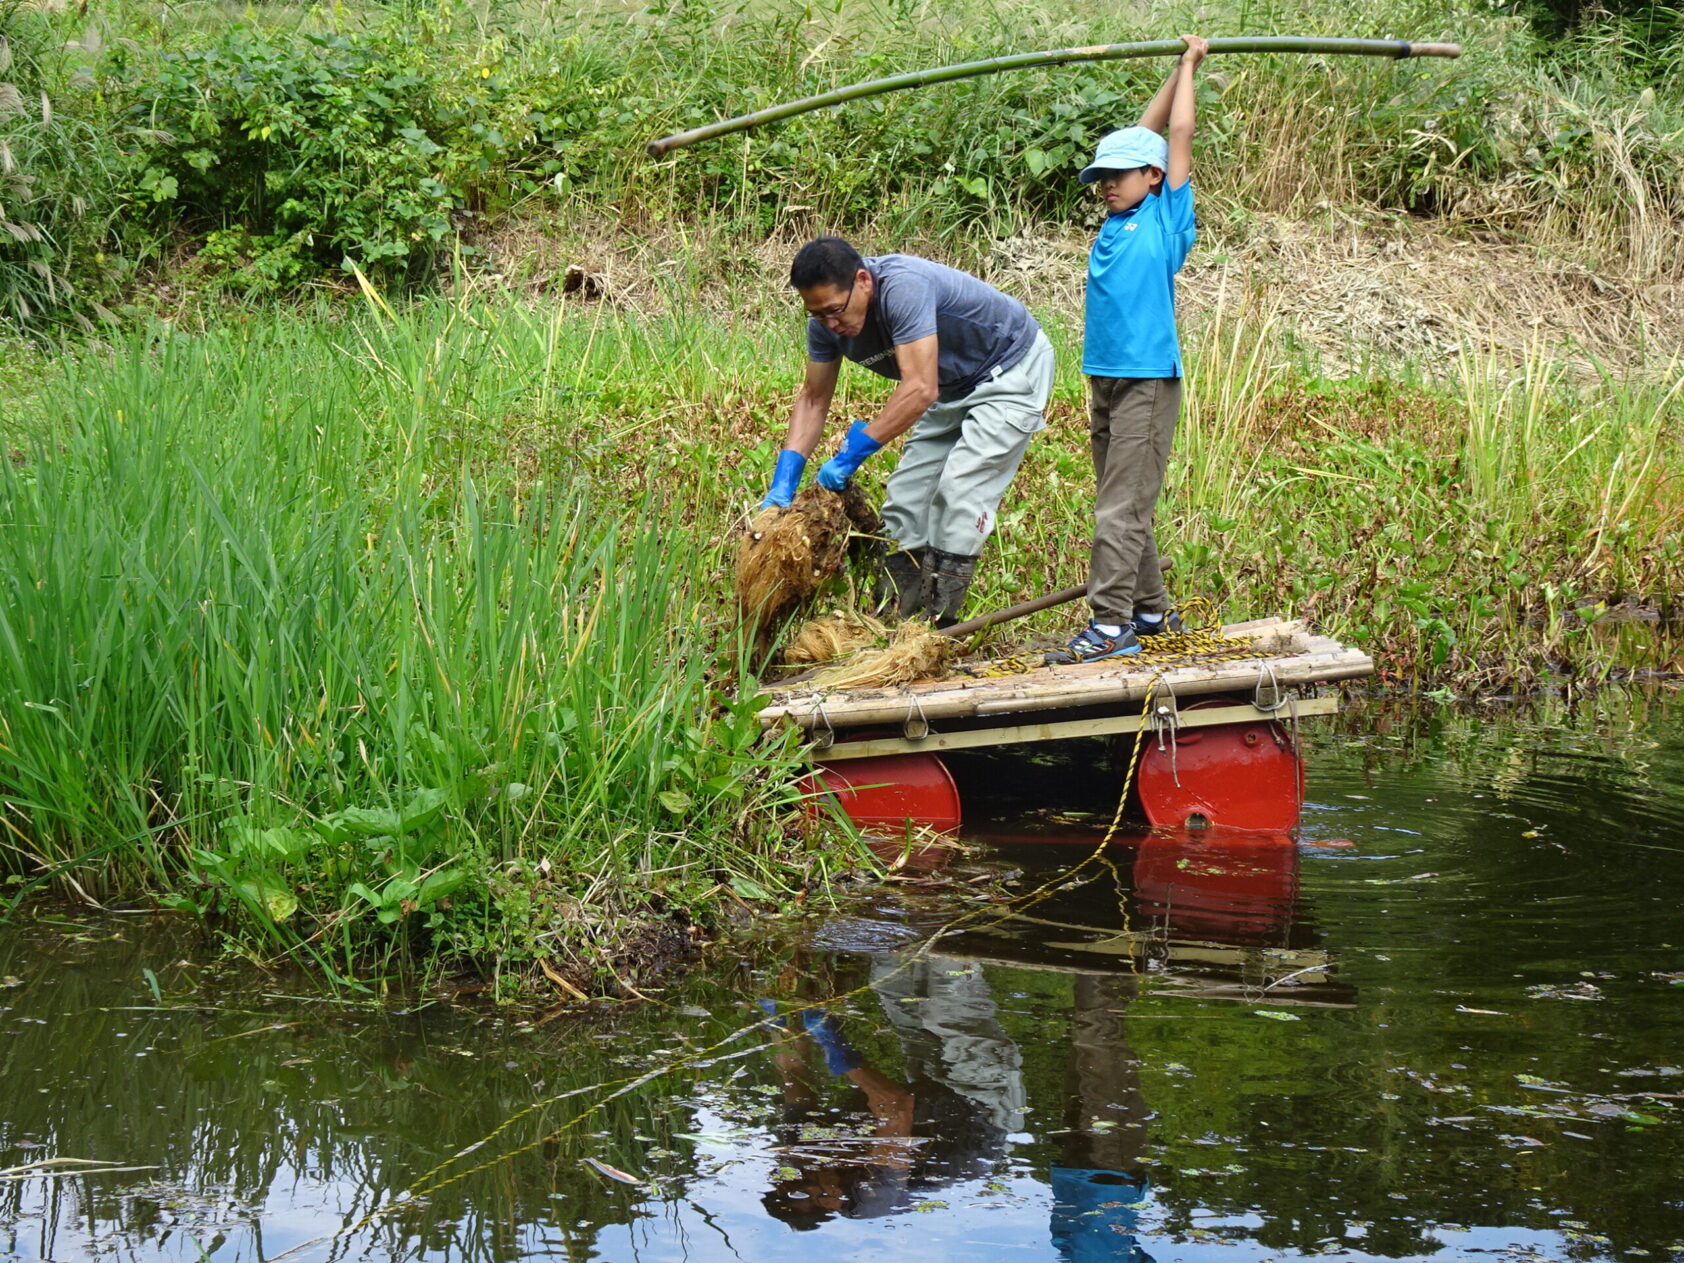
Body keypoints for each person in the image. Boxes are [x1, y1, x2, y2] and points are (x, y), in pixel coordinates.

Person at [760, 238, 1055, 627]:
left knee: (960, 488)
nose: (831, 324)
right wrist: (785, 479)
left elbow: (919, 389)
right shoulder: (825, 325)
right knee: (905, 501)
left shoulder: (903, 288)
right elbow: (814, 400)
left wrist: (852, 456)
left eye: (834, 310)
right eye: (816, 314)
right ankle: (895, 621)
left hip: (1008, 368)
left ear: (863, 281)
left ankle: (938, 625)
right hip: (950, 384)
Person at [1051, 35, 1209, 664]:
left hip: (1147, 381)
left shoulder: (1165, 216)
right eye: (1102, 178)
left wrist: (1191, 67)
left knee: (1118, 510)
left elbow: (1175, 135)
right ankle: (1149, 611)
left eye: (1117, 177)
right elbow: (1139, 132)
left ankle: (1110, 626)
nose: (1105, 186)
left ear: (1153, 178)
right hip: (1105, 380)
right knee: (1124, 505)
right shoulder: (1116, 219)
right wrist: (1172, 70)